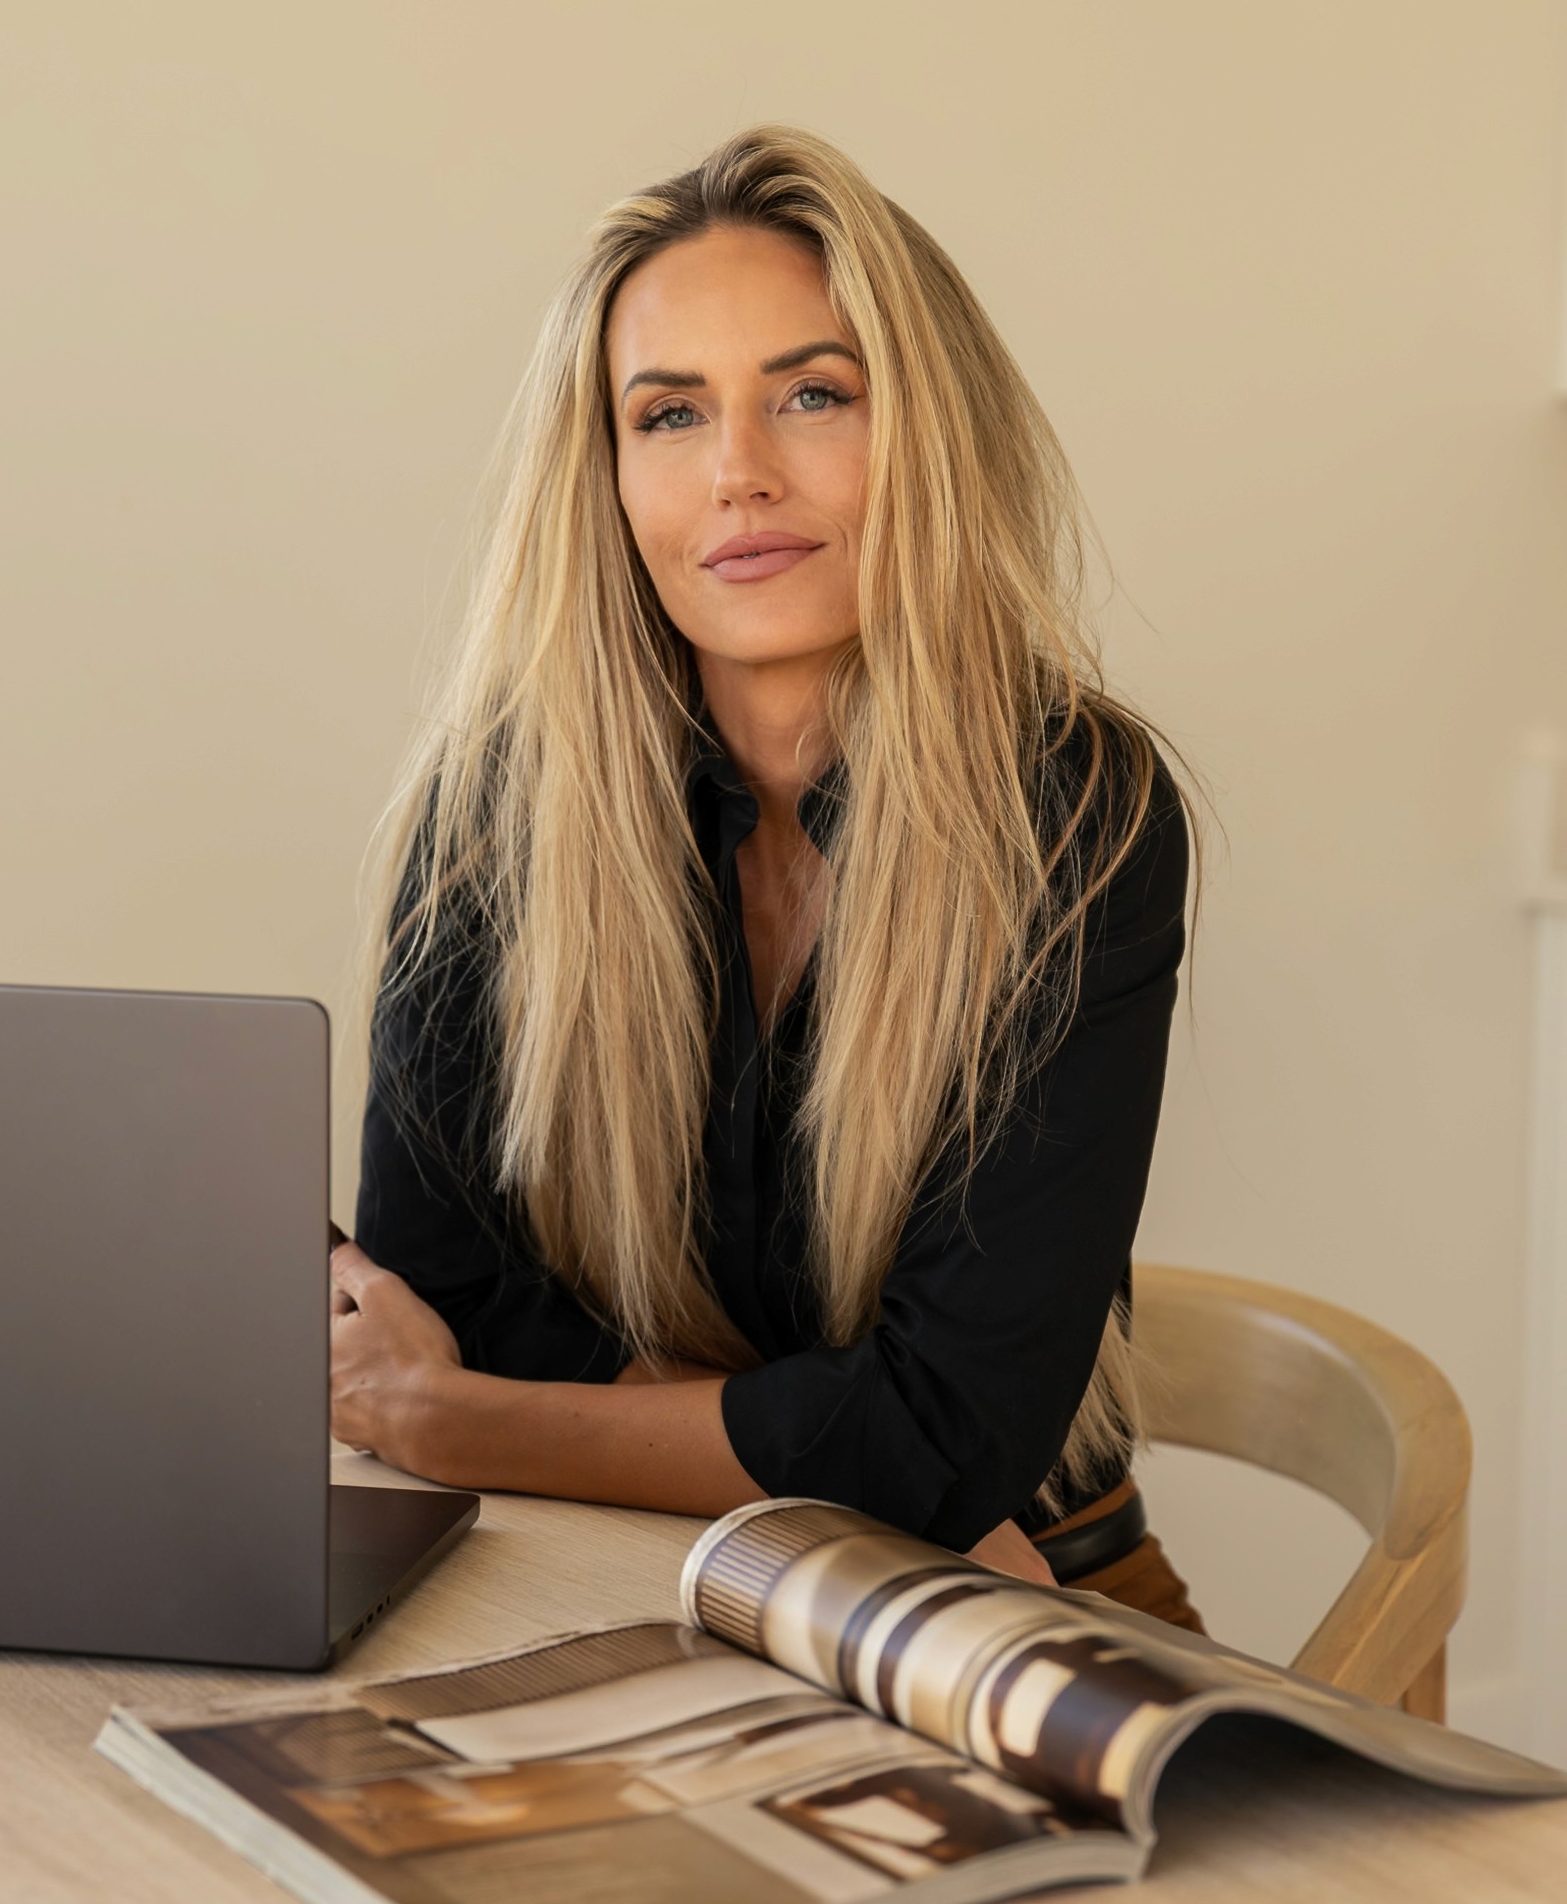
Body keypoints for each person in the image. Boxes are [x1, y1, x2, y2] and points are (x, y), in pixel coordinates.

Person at [329, 125, 1203, 1627]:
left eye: (813, 394)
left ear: (926, 432)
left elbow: (945, 1435)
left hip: (1015, 1597)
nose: (738, 473)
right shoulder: (495, 809)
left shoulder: (1081, 812)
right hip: (605, 1570)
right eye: (668, 414)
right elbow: (443, 1289)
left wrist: (467, 1419)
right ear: (602, 474)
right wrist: (842, 1464)